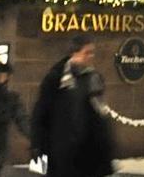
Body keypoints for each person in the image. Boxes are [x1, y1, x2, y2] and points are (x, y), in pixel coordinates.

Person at [31, 34, 115, 177]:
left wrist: (107, 152)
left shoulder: (94, 78)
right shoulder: (56, 78)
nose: (91, 56)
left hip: (87, 154)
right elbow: (41, 114)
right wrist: (38, 151)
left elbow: (100, 116)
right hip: (60, 153)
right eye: (87, 52)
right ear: (74, 53)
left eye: (92, 52)